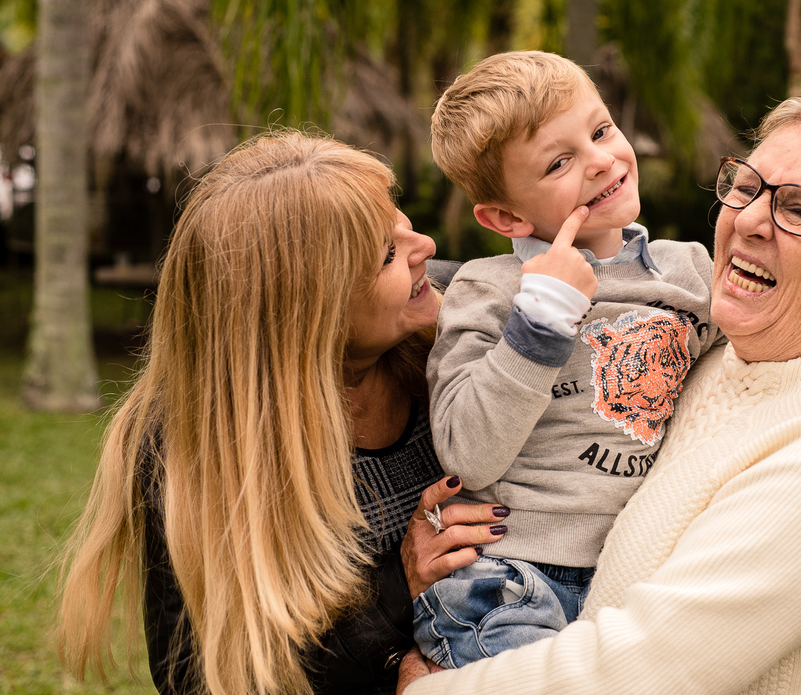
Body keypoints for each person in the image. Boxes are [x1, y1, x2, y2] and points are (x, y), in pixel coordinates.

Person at [414, 53, 801, 670]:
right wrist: (538, 323)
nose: (600, 161)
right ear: (506, 217)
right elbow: (468, 455)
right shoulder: (491, 293)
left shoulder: (688, 279)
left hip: (609, 587)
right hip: (509, 575)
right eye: (558, 162)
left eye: (601, 131)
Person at [57, 133, 508, 695]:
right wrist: (400, 586)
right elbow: (204, 678)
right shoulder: (190, 444)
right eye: (387, 255)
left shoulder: (468, 317)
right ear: (307, 315)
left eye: (402, 222)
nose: (426, 246)